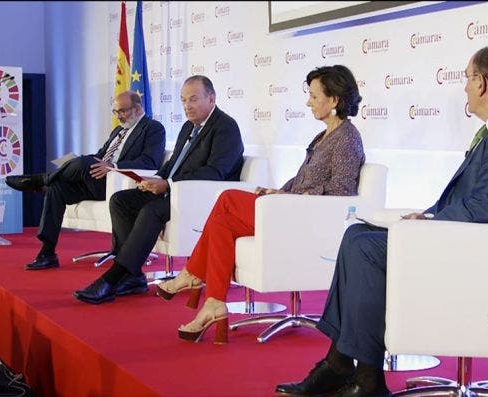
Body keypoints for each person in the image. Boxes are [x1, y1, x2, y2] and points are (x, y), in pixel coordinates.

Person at [275, 45, 488, 397]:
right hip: (471, 238)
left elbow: (486, 207)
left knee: (365, 248)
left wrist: (427, 223)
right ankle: (347, 368)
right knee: (359, 235)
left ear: (482, 82)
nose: (465, 88)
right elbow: (478, 202)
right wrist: (426, 217)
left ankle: (358, 375)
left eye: (468, 79)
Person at [156, 65, 366, 344]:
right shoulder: (323, 135)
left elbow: (341, 190)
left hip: (306, 218)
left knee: (229, 197)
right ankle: (214, 303)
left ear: (335, 100)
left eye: (314, 97)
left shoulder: (347, 139)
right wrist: (279, 190)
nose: (308, 102)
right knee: (222, 223)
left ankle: (193, 273)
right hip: (288, 209)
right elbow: (303, 178)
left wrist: (292, 197)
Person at [73, 75, 245, 305]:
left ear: (211, 98)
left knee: (151, 210)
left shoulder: (226, 127)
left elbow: (215, 173)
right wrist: (155, 179)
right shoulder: (188, 127)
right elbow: (174, 163)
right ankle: (133, 276)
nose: (187, 106)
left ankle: (114, 277)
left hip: (199, 197)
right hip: (174, 191)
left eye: (193, 99)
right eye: (183, 100)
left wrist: (169, 184)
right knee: (121, 201)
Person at [6, 91, 166, 270]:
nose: (119, 116)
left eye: (123, 111)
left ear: (137, 108)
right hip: (96, 180)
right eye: (116, 112)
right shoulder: (118, 131)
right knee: (57, 188)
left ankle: (41, 180)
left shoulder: (153, 128)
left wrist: (112, 166)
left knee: (83, 162)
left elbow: (149, 161)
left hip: (118, 184)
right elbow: (100, 156)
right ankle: (47, 252)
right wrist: (89, 162)